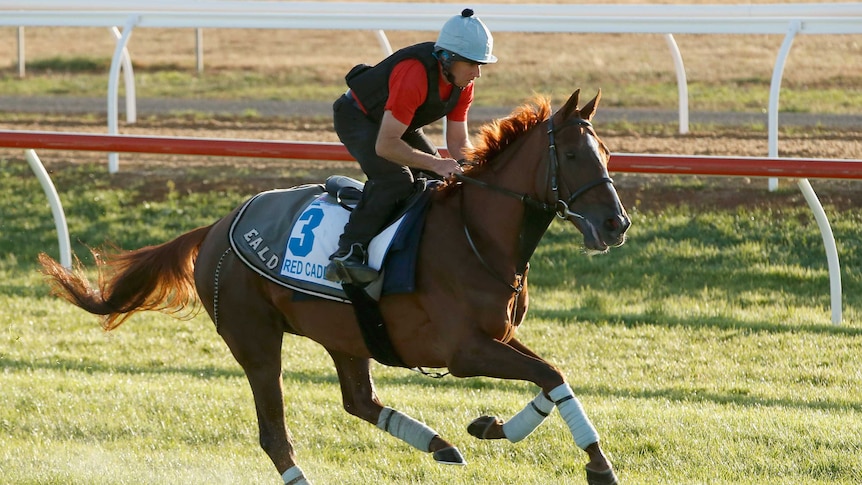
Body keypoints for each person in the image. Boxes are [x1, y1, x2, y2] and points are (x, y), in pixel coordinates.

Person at [324, 8, 497, 285]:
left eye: (481, 65)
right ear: (448, 59)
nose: (478, 73)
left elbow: (458, 143)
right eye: (473, 64)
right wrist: (436, 163)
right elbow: (386, 146)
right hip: (358, 117)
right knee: (396, 179)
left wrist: (481, 170)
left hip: (396, 125)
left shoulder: (463, 83)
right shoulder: (414, 74)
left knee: (442, 179)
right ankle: (347, 253)